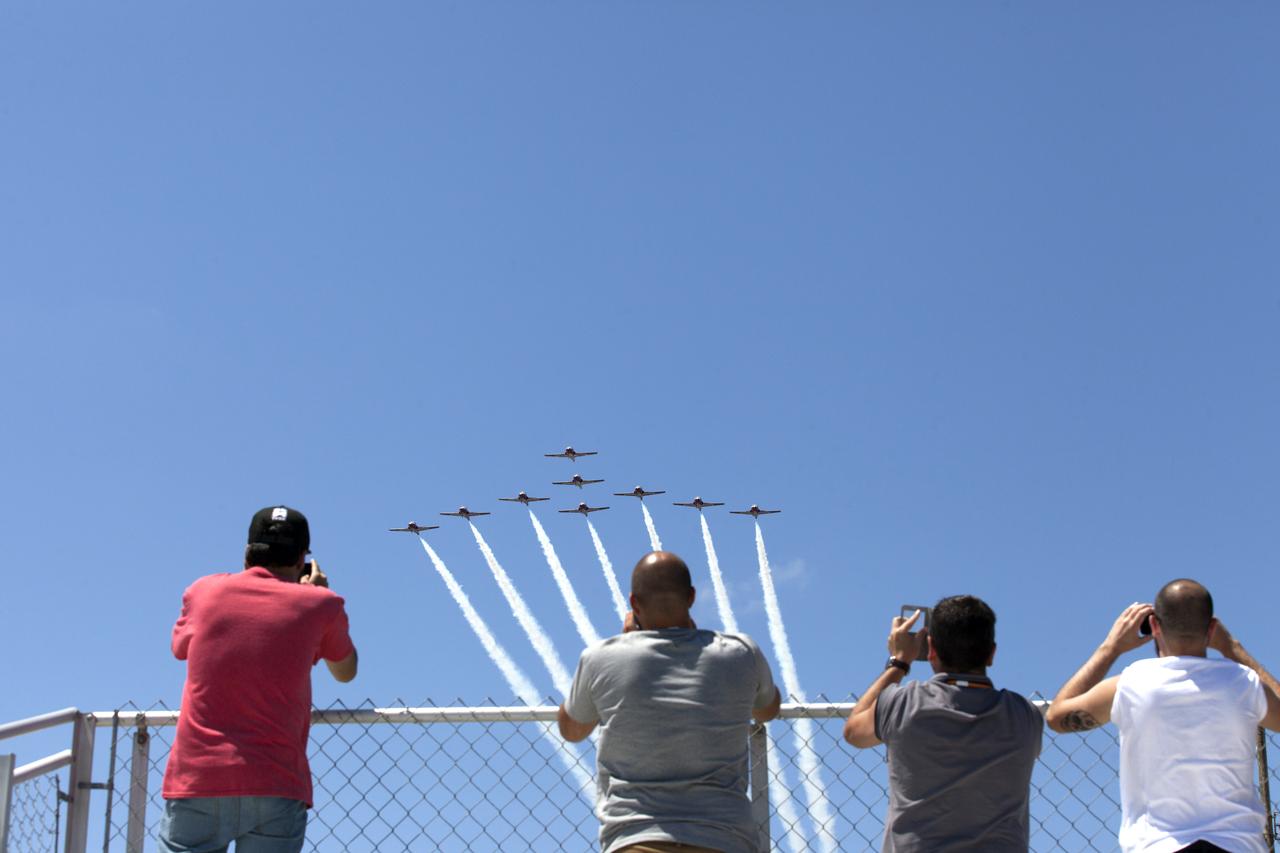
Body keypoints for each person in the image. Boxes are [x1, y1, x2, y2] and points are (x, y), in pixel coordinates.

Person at [159, 506, 358, 853]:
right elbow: (346, 671)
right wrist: (314, 594)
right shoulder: (322, 604)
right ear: (302, 558)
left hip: (198, 777)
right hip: (276, 780)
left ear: (248, 552)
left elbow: (179, 648)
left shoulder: (203, 592)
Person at [558, 551, 782, 853]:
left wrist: (629, 641)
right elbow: (768, 709)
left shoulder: (600, 657)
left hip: (636, 837)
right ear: (691, 597)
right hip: (725, 838)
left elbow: (571, 729)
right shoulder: (740, 652)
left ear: (633, 603)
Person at [1046, 579, 1280, 853]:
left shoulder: (1132, 683)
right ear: (1211, 629)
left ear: (1155, 627)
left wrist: (1111, 648)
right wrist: (1233, 648)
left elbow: (1056, 717)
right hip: (1238, 846)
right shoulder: (1243, 683)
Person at [843, 595, 1043, 852]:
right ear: (991, 654)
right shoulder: (1024, 715)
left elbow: (854, 732)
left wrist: (899, 662)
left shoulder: (905, 703)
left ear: (931, 650)